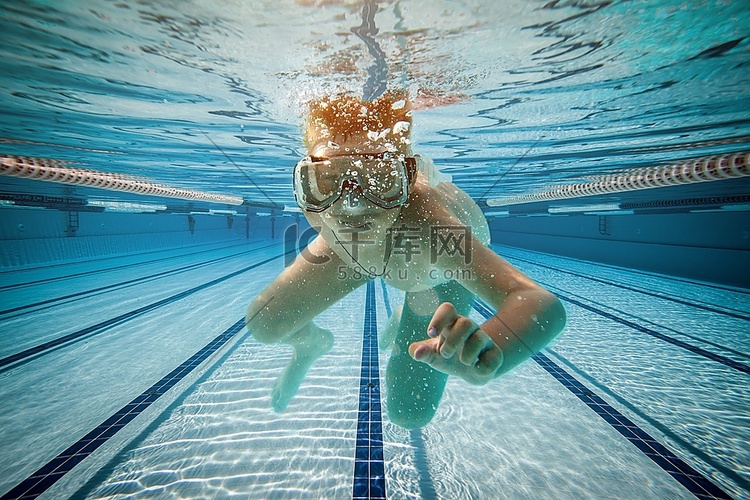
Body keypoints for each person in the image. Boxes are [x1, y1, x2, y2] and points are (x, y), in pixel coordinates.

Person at [246, 91, 566, 429]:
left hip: (438, 274)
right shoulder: (330, 214)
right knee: (265, 321)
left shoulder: (432, 226)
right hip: (365, 255)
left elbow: (538, 302)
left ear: (408, 178)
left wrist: (490, 350)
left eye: (379, 178)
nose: (352, 205)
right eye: (327, 180)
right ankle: (311, 345)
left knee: (409, 412)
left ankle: (410, 308)